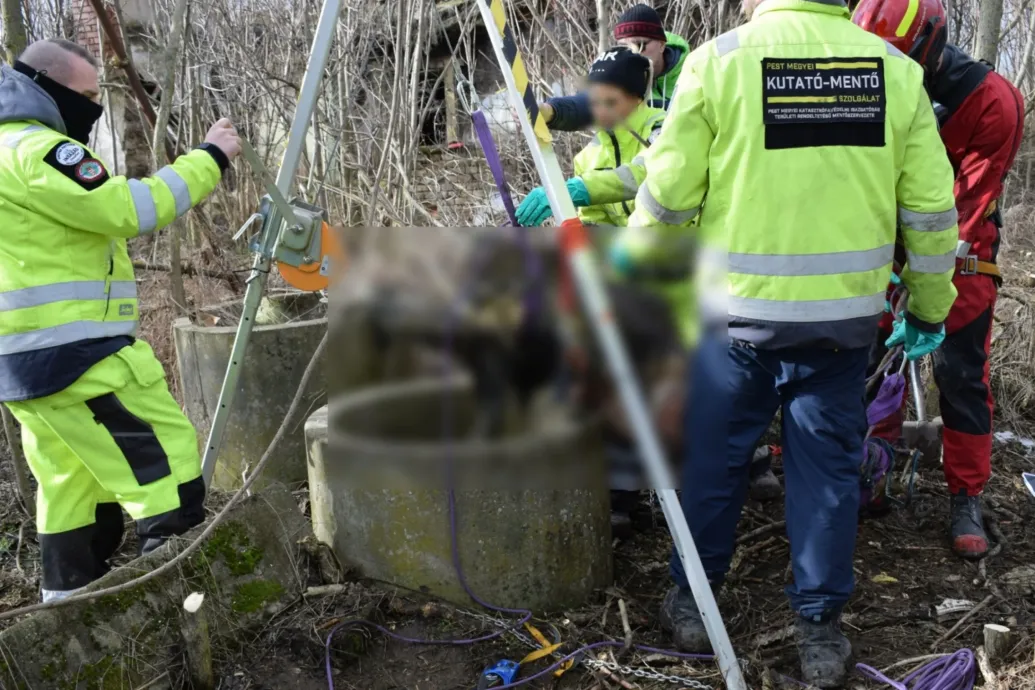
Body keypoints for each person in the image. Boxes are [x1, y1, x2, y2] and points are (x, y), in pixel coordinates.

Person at [621, 0, 959, 686]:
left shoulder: (717, 63)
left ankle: (691, 600)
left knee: (714, 463)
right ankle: (818, 630)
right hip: (839, 328)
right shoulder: (893, 72)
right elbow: (928, 211)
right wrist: (928, 307)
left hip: (732, 322)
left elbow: (667, 197)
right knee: (827, 477)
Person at [0, 39, 241, 602]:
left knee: (70, 483)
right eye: (86, 97)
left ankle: (70, 606)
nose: (93, 108)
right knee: (167, 463)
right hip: (79, 357)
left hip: (24, 367)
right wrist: (211, 156)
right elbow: (129, 209)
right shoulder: (37, 151)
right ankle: (182, 604)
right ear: (48, 87)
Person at [852, 0, 1024, 561]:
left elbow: (968, 203)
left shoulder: (992, 101)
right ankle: (871, 468)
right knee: (871, 362)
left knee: (960, 377)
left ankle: (966, 494)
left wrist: (924, 281)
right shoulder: (865, 84)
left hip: (963, 249)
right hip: (882, 243)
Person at [517, 46, 694, 531]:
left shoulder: (666, 126)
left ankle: (684, 490)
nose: (599, 107)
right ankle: (621, 496)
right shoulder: (585, 155)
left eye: (610, 98)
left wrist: (580, 192)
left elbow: (649, 176)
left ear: (636, 97)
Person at [538, 4, 690, 131]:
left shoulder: (691, 71)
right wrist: (550, 111)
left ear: (661, 44)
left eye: (640, 45)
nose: (634, 53)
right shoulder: (621, 72)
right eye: (625, 47)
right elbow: (587, 103)